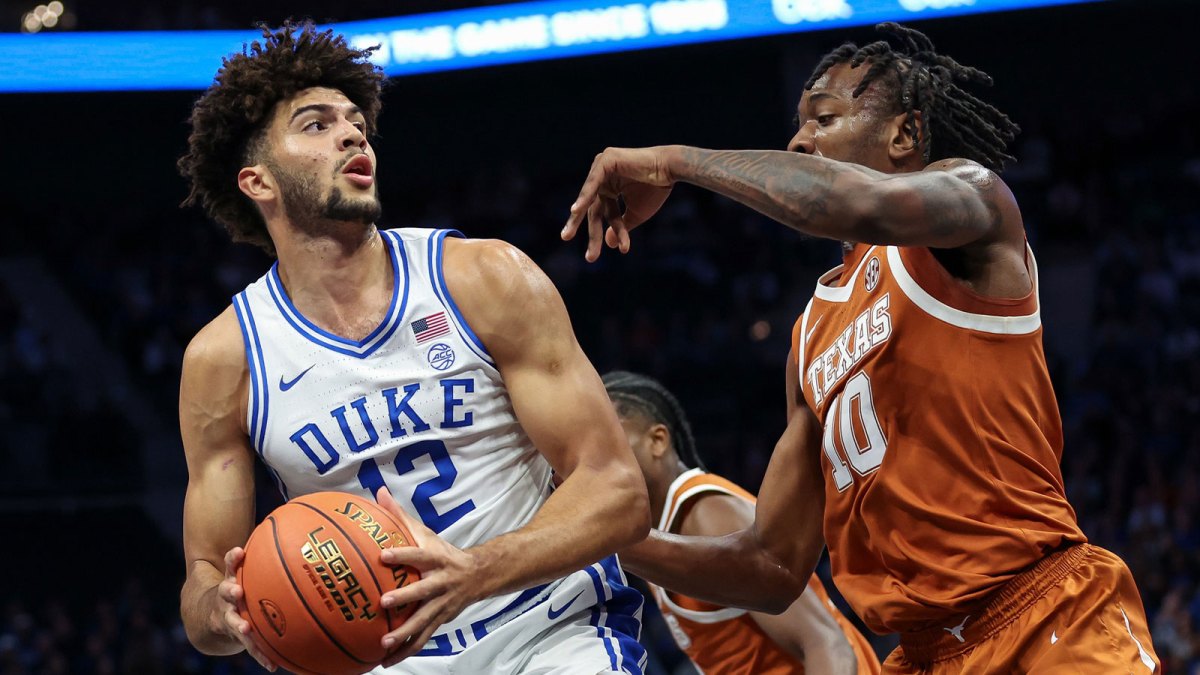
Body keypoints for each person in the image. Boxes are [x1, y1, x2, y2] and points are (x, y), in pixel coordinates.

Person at [562, 22, 1160, 674]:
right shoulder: (808, 337)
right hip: (924, 652)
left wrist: (673, 161)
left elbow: (846, 200)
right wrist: (611, 543)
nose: (799, 139)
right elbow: (771, 563)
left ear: (904, 134)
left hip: (1043, 616)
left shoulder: (973, 204)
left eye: (824, 117)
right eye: (797, 123)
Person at [175, 22, 650, 674]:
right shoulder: (224, 359)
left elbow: (618, 490)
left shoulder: (483, 276)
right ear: (258, 182)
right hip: (391, 657)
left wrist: (475, 571)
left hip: (550, 631)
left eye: (355, 122)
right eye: (316, 125)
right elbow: (203, 575)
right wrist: (224, 610)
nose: (350, 133)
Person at [603, 371, 881, 674]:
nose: (591, 453)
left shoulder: (703, 512)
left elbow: (825, 642)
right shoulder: (657, 529)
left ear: (657, 441)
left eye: (604, 436)